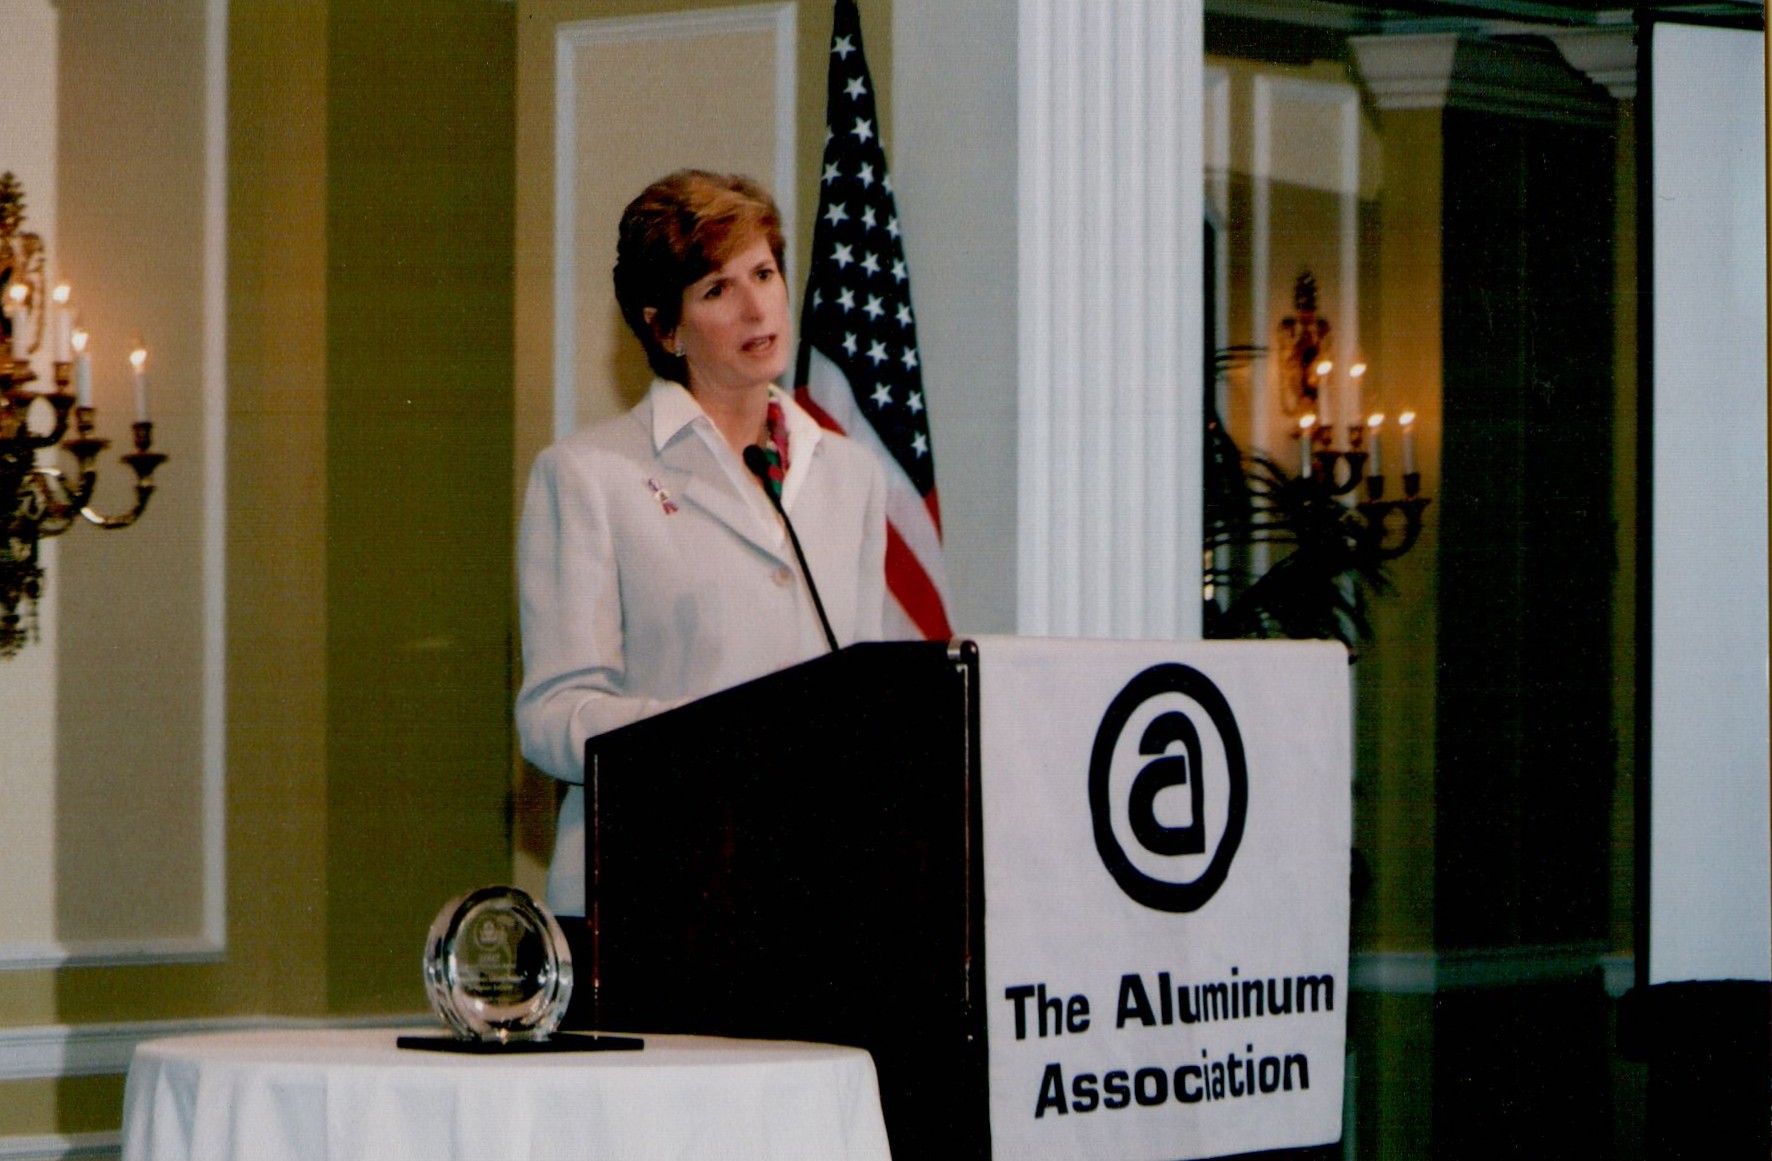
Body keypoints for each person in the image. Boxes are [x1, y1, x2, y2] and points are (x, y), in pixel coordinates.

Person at [517, 169, 887, 921]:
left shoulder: (850, 474)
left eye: (764, 272)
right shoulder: (589, 475)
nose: (758, 306)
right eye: (717, 289)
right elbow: (553, 717)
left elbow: (868, 699)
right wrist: (707, 737)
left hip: (820, 887)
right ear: (665, 328)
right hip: (656, 883)